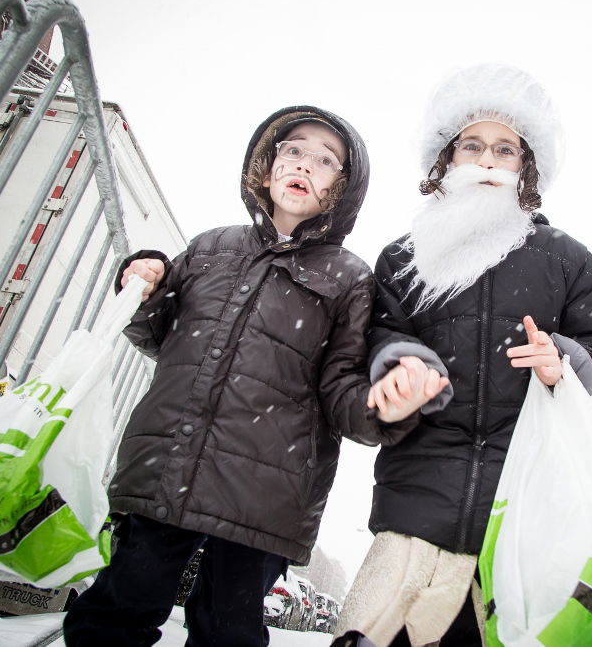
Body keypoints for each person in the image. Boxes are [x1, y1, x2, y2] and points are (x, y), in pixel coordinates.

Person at [63, 106, 446, 647]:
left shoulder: (348, 278)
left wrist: (384, 405)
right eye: (294, 151)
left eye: (326, 160)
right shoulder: (210, 247)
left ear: (341, 190)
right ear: (266, 169)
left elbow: (340, 387)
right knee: (116, 609)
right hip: (169, 464)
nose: (305, 164)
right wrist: (145, 285)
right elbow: (159, 337)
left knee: (228, 631)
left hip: (267, 496)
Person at [334, 65, 592, 646]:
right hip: (416, 507)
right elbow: (382, 334)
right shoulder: (403, 257)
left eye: (504, 149)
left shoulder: (567, 258)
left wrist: (562, 362)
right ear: (446, 159)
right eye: (472, 146)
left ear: (526, 166)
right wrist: (401, 368)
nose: (488, 160)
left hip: (523, 513)